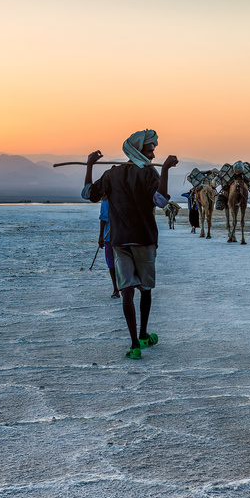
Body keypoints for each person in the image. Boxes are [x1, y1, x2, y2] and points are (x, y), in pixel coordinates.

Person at [82, 129, 178, 359]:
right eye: (149, 150)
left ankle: (135, 344)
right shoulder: (149, 174)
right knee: (145, 289)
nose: (153, 155)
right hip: (144, 240)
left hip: (120, 240)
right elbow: (162, 200)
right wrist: (164, 170)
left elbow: (88, 193)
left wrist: (89, 165)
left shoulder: (111, 175)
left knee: (127, 292)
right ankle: (143, 335)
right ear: (138, 150)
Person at [98, 197, 119, 298]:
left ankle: (116, 289)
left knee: (111, 263)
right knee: (121, 262)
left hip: (110, 237)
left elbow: (103, 217)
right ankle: (121, 288)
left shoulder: (105, 200)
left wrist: (101, 236)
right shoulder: (123, 194)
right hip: (123, 236)